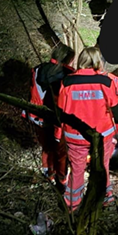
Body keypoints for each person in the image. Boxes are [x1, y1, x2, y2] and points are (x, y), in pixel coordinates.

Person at [56, 47, 118, 210]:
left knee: (77, 170)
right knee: (102, 166)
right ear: (97, 61)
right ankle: (106, 198)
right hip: (102, 135)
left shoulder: (67, 82)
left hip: (75, 136)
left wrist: (58, 133)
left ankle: (72, 204)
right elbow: (116, 109)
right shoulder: (105, 82)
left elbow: (60, 112)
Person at [23, 44, 75, 181]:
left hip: (36, 115)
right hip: (56, 118)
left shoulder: (37, 69)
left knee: (46, 146)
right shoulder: (67, 75)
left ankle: (47, 172)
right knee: (60, 151)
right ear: (68, 60)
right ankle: (61, 178)